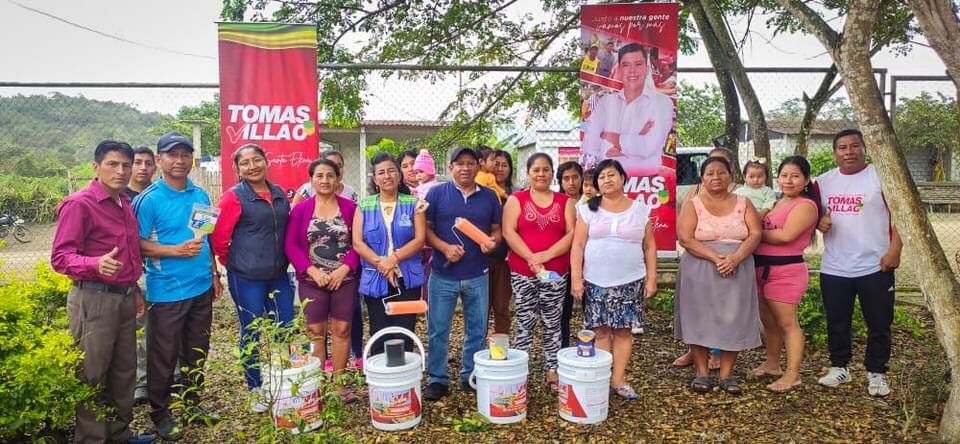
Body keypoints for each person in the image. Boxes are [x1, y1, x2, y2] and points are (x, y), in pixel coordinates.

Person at [51, 140, 155, 444]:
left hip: (124, 297)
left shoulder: (124, 203)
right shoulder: (79, 204)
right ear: (96, 167)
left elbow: (130, 252)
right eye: (112, 164)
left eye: (126, 165)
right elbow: (60, 258)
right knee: (92, 373)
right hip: (93, 299)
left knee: (124, 371)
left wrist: (134, 289)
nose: (121, 171)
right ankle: (92, 438)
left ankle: (120, 434)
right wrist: (94, 263)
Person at [133, 132, 222, 440]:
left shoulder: (201, 195)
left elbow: (206, 238)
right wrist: (174, 251)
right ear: (160, 160)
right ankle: (160, 413)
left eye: (185, 155)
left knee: (197, 350)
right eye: (173, 155)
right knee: (164, 355)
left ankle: (192, 404)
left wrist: (214, 274)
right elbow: (137, 244)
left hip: (201, 287)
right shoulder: (148, 200)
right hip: (167, 291)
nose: (180, 160)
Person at [815, 129, 902, 397]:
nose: (849, 152)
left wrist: (895, 250)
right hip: (835, 266)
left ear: (865, 148)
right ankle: (839, 367)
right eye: (842, 147)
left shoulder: (881, 177)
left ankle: (877, 372)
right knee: (837, 320)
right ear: (835, 153)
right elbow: (808, 213)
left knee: (879, 323)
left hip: (875, 265)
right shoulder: (823, 182)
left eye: (855, 146)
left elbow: (902, 215)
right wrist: (819, 222)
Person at [210, 144, 294, 411]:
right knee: (252, 329)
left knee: (285, 325)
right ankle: (255, 387)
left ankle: (282, 379)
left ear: (266, 162)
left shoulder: (279, 193)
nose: (252, 166)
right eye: (245, 163)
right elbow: (219, 238)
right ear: (237, 169)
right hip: (247, 278)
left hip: (278, 274)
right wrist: (234, 263)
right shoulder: (233, 197)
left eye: (257, 160)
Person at [674, 156, 761, 395]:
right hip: (700, 267)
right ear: (702, 178)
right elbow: (685, 238)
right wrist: (716, 258)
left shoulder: (744, 202)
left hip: (737, 267)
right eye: (710, 173)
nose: (716, 177)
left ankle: (727, 374)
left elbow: (755, 233)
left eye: (721, 172)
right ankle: (702, 373)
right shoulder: (693, 204)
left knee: (733, 317)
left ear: (730, 176)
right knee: (698, 318)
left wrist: (735, 258)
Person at [570, 159, 657, 400]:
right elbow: (577, 246)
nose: (607, 180)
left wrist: (652, 278)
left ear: (622, 178)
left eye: (611, 175)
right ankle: (601, 378)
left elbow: (649, 246)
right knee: (600, 332)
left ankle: (618, 380)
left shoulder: (640, 210)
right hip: (595, 281)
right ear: (596, 183)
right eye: (602, 177)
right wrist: (576, 278)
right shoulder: (587, 210)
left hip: (630, 281)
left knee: (623, 332)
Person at [422, 147, 503, 400]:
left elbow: (497, 229)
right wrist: (444, 247)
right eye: (459, 163)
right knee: (438, 329)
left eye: (470, 163)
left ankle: (470, 374)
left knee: (477, 329)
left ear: (478, 166)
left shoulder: (489, 196)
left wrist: (492, 242)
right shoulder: (436, 194)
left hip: (477, 273)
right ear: (451, 168)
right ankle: (437, 378)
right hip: (442, 275)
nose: (465, 168)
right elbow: (425, 230)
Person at [285, 158, 361, 402]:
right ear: (311, 180)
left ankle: (338, 385)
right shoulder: (301, 209)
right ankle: (317, 387)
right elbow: (291, 245)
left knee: (342, 329)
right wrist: (312, 271)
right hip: (312, 280)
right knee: (315, 331)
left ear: (338, 179)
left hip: (344, 280)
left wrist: (343, 269)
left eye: (330, 175)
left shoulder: (350, 208)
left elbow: (359, 243)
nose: (325, 180)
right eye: (319, 176)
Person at [503, 153, 575, 391]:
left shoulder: (565, 202)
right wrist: (531, 259)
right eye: (536, 170)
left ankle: (552, 369)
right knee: (524, 319)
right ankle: (520, 369)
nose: (541, 174)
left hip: (554, 272)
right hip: (523, 271)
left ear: (552, 173)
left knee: (553, 320)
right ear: (528, 173)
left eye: (546, 169)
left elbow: (571, 234)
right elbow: (509, 232)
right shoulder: (517, 200)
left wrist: (545, 256)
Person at [752, 156, 820, 393]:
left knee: (788, 323)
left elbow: (785, 235)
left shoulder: (806, 206)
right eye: (784, 176)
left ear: (806, 180)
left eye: (795, 176)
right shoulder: (775, 201)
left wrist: (753, 232)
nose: (788, 181)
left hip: (786, 272)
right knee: (769, 322)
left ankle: (793, 374)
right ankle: (772, 364)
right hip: (760, 268)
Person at [353, 153, 426, 355]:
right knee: (379, 330)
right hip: (376, 276)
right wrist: (381, 264)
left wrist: (393, 259)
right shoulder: (364, 205)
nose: (387, 176)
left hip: (407, 277)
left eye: (392, 170)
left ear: (399, 175)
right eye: (381, 172)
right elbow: (358, 242)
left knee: (405, 330)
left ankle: (405, 372)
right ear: (375, 179)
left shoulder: (414, 203)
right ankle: (379, 372)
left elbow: (420, 239)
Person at [582, 43, 673, 176]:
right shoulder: (605, 103)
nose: (632, 70)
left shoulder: (662, 103)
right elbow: (590, 144)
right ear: (619, 70)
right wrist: (637, 138)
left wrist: (611, 137)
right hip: (609, 180)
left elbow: (648, 146)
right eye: (626, 65)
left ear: (647, 69)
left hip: (646, 181)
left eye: (638, 64)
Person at [125, 145, 157, 406]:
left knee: (160, 328)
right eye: (137, 162)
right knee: (137, 331)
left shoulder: (159, 195)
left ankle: (169, 376)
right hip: (131, 276)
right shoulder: (120, 197)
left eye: (148, 163)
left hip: (160, 273)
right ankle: (140, 382)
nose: (143, 168)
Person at [487, 149, 514, 335]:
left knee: (502, 305)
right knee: (480, 307)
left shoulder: (515, 194)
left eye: (504, 165)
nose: (500, 168)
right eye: (496, 164)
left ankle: (502, 345)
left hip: (506, 259)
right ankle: (478, 347)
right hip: (482, 257)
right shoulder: (481, 191)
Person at [556, 161, 583, 348]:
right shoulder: (555, 202)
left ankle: (592, 351)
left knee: (591, 311)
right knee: (562, 311)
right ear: (560, 181)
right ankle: (562, 350)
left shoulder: (592, 202)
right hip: (562, 264)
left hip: (588, 263)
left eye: (575, 177)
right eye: (566, 178)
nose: (571, 182)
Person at [292, 150, 359, 204]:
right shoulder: (307, 190)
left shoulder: (350, 192)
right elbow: (295, 213)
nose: (336, 170)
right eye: (331, 166)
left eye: (339, 166)